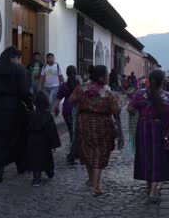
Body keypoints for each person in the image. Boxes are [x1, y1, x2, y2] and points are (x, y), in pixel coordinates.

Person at [69, 65, 124, 196]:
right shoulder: (109, 94)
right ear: (101, 77)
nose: (108, 78)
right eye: (106, 75)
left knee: (87, 149)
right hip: (102, 124)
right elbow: (116, 111)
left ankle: (90, 180)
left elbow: (71, 100)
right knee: (100, 151)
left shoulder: (81, 88)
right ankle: (96, 187)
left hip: (84, 123)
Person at [128, 69, 169, 204]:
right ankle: (154, 189)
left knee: (146, 156)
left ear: (149, 81)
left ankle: (149, 187)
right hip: (161, 131)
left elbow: (130, 109)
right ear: (163, 82)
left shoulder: (139, 94)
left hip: (143, 130)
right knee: (159, 158)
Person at [0, 46, 31, 185]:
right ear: (14, 57)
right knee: (18, 138)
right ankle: (21, 166)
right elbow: (24, 91)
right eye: (18, 58)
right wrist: (29, 105)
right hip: (15, 108)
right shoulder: (19, 69)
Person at [26, 91, 61, 187]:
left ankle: (36, 178)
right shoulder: (47, 115)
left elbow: (25, 128)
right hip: (44, 141)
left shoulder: (30, 115)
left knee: (35, 160)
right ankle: (50, 172)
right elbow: (51, 131)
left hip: (32, 140)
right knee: (47, 158)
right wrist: (54, 144)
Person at [51, 65, 82, 164]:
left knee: (71, 132)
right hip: (76, 111)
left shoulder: (64, 85)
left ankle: (75, 153)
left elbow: (57, 99)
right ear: (76, 73)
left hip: (66, 111)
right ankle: (72, 155)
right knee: (76, 134)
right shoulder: (79, 85)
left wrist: (52, 111)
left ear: (67, 73)